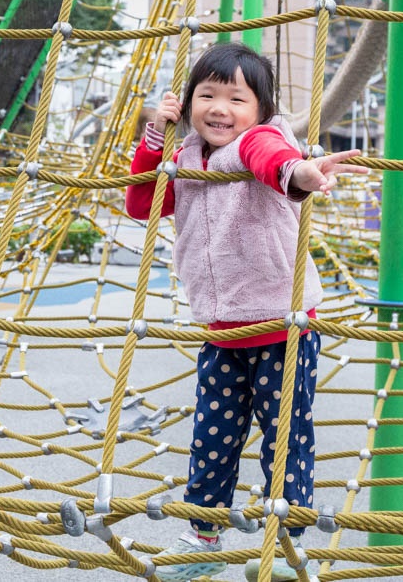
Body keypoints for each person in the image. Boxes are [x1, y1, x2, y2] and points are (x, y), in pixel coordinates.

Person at [125, 42, 367, 581]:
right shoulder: (186, 159)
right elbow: (141, 204)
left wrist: (304, 173)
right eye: (207, 95)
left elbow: (274, 161)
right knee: (210, 440)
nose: (220, 108)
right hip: (221, 332)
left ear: (261, 109)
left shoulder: (259, 140)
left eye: (237, 99)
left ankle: (288, 541)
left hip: (282, 327)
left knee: (284, 438)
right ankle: (204, 538)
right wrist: (155, 136)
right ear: (188, 102)